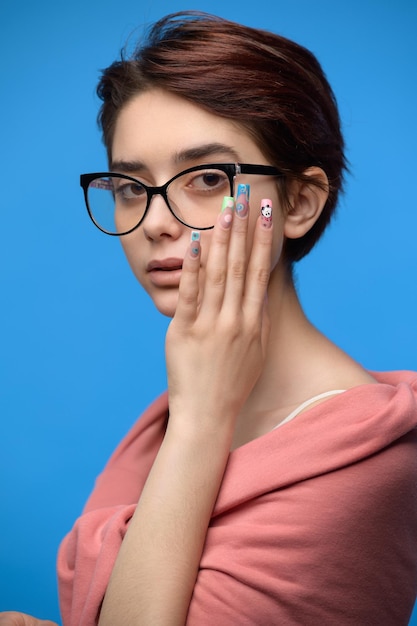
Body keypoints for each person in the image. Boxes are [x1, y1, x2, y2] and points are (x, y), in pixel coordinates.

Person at [7, 10, 417, 626]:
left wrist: (201, 421)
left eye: (204, 177)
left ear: (299, 201)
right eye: (128, 185)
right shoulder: (168, 412)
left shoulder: (366, 462)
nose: (154, 221)